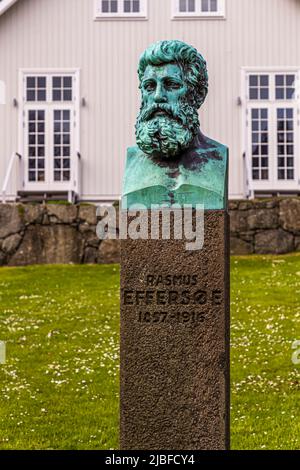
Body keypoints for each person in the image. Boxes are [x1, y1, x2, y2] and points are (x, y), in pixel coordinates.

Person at [122, 40, 228, 209]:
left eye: (171, 85)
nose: (158, 96)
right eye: (149, 86)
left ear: (198, 95)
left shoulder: (217, 158)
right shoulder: (133, 160)